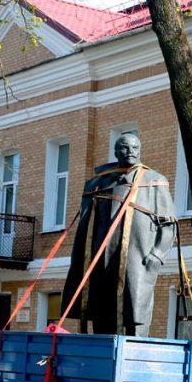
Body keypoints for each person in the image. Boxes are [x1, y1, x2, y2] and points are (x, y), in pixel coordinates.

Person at [61, 133, 177, 335]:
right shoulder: (100, 182)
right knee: (102, 310)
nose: (130, 151)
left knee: (135, 309)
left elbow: (168, 223)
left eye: (135, 147)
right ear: (116, 151)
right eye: (124, 147)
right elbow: (85, 224)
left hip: (137, 255)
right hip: (101, 257)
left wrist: (158, 254)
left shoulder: (154, 180)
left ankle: (135, 349)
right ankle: (103, 350)